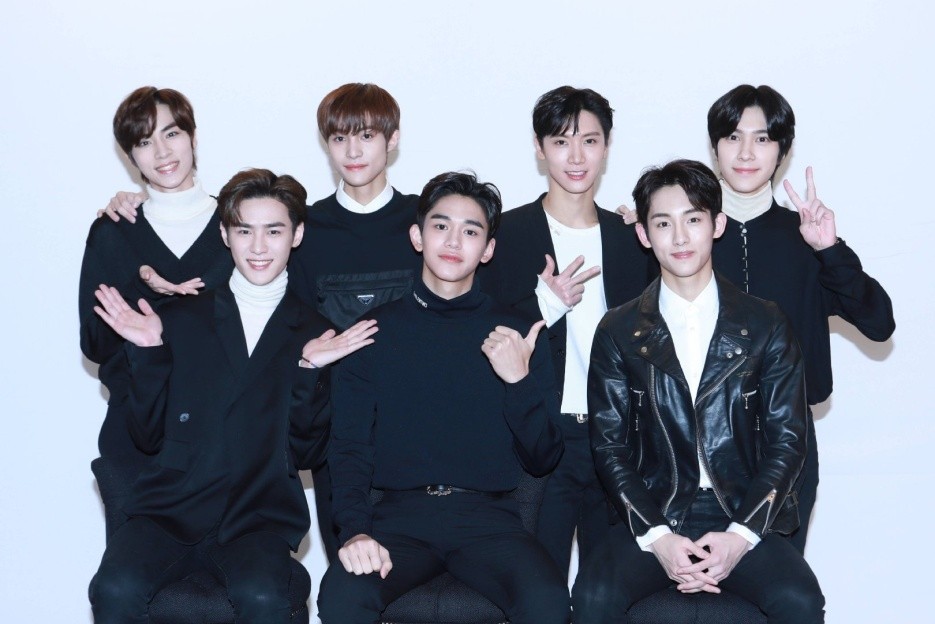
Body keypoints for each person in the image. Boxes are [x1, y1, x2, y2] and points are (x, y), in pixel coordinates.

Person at [88, 168, 378, 623]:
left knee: (263, 597)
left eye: (274, 231)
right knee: (113, 587)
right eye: (244, 231)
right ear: (225, 235)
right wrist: (149, 352)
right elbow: (145, 437)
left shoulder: (318, 334)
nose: (258, 247)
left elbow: (306, 454)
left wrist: (308, 370)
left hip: (258, 517)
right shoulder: (179, 318)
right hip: (168, 509)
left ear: (297, 235)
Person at [573, 159, 824, 623]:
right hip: (654, 509)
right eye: (662, 224)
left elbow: (788, 441)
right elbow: (608, 446)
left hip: (742, 507)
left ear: (717, 225)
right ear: (644, 235)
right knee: (592, 597)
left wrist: (740, 536)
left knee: (800, 601)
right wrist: (658, 537)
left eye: (693, 219)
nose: (680, 237)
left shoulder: (766, 323)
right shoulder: (618, 330)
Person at [318, 171, 570, 624]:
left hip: (488, 519)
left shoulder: (516, 333)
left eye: (470, 231)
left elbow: (544, 458)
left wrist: (518, 380)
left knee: (548, 603)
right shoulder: (373, 332)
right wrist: (354, 531)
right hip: (398, 519)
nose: (454, 241)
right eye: (440, 226)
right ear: (417, 236)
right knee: (342, 596)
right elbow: (349, 446)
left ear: (488, 249)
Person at [705, 84, 894, 551]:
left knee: (783, 582)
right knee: (700, 581)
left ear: (782, 151)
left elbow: (879, 323)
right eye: (733, 137)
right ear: (715, 147)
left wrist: (830, 250)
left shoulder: (805, 236)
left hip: (787, 442)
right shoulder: (688, 236)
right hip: (699, 444)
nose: (746, 152)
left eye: (762, 138)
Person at [480, 86, 649, 577]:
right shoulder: (506, 235)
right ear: (539, 148)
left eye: (589, 141)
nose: (576, 157)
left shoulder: (632, 238)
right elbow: (480, 331)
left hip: (618, 438)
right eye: (560, 141)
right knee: (537, 588)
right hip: (540, 439)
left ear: (607, 147)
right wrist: (544, 304)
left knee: (610, 592)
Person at [80, 86, 233, 463]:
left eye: (172, 133)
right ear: (131, 155)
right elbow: (95, 345)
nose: (162, 152)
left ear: (193, 137)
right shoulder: (113, 232)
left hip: (225, 438)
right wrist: (141, 288)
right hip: (136, 441)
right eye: (145, 142)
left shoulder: (239, 227)